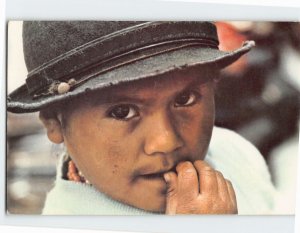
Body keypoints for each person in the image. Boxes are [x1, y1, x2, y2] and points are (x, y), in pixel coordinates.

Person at [7, 21, 277, 215]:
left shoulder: (236, 152)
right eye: (121, 112)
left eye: (185, 99)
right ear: (54, 123)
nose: (165, 142)